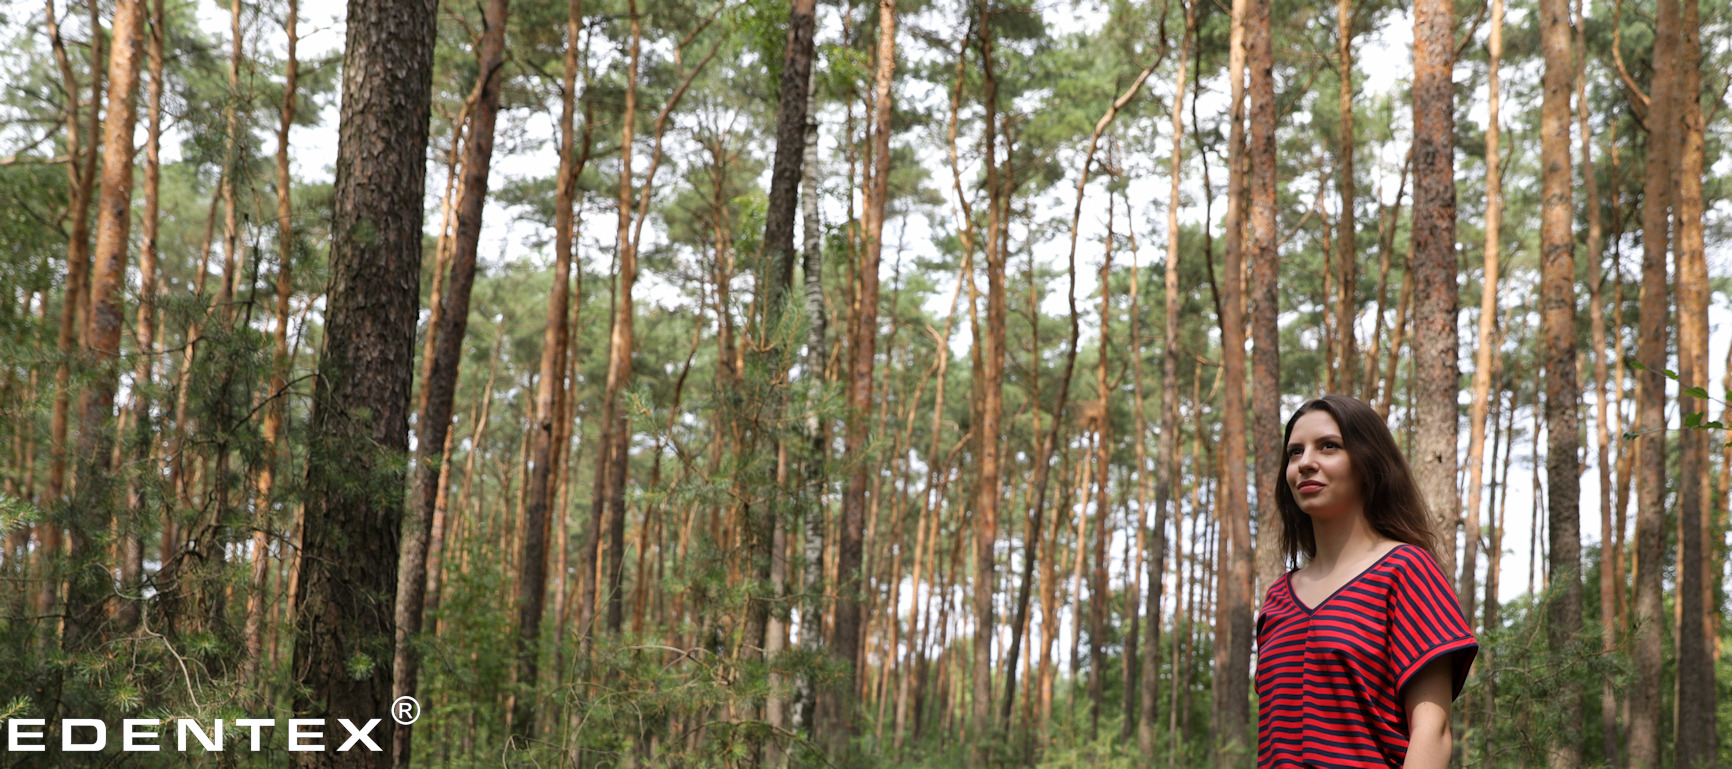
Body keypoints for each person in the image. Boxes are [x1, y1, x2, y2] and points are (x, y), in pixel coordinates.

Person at [1255, 394, 1478, 769]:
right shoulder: (1278, 596)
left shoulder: (1406, 571)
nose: (1306, 462)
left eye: (1328, 446)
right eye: (1294, 452)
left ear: (1367, 462)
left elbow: (1432, 730)